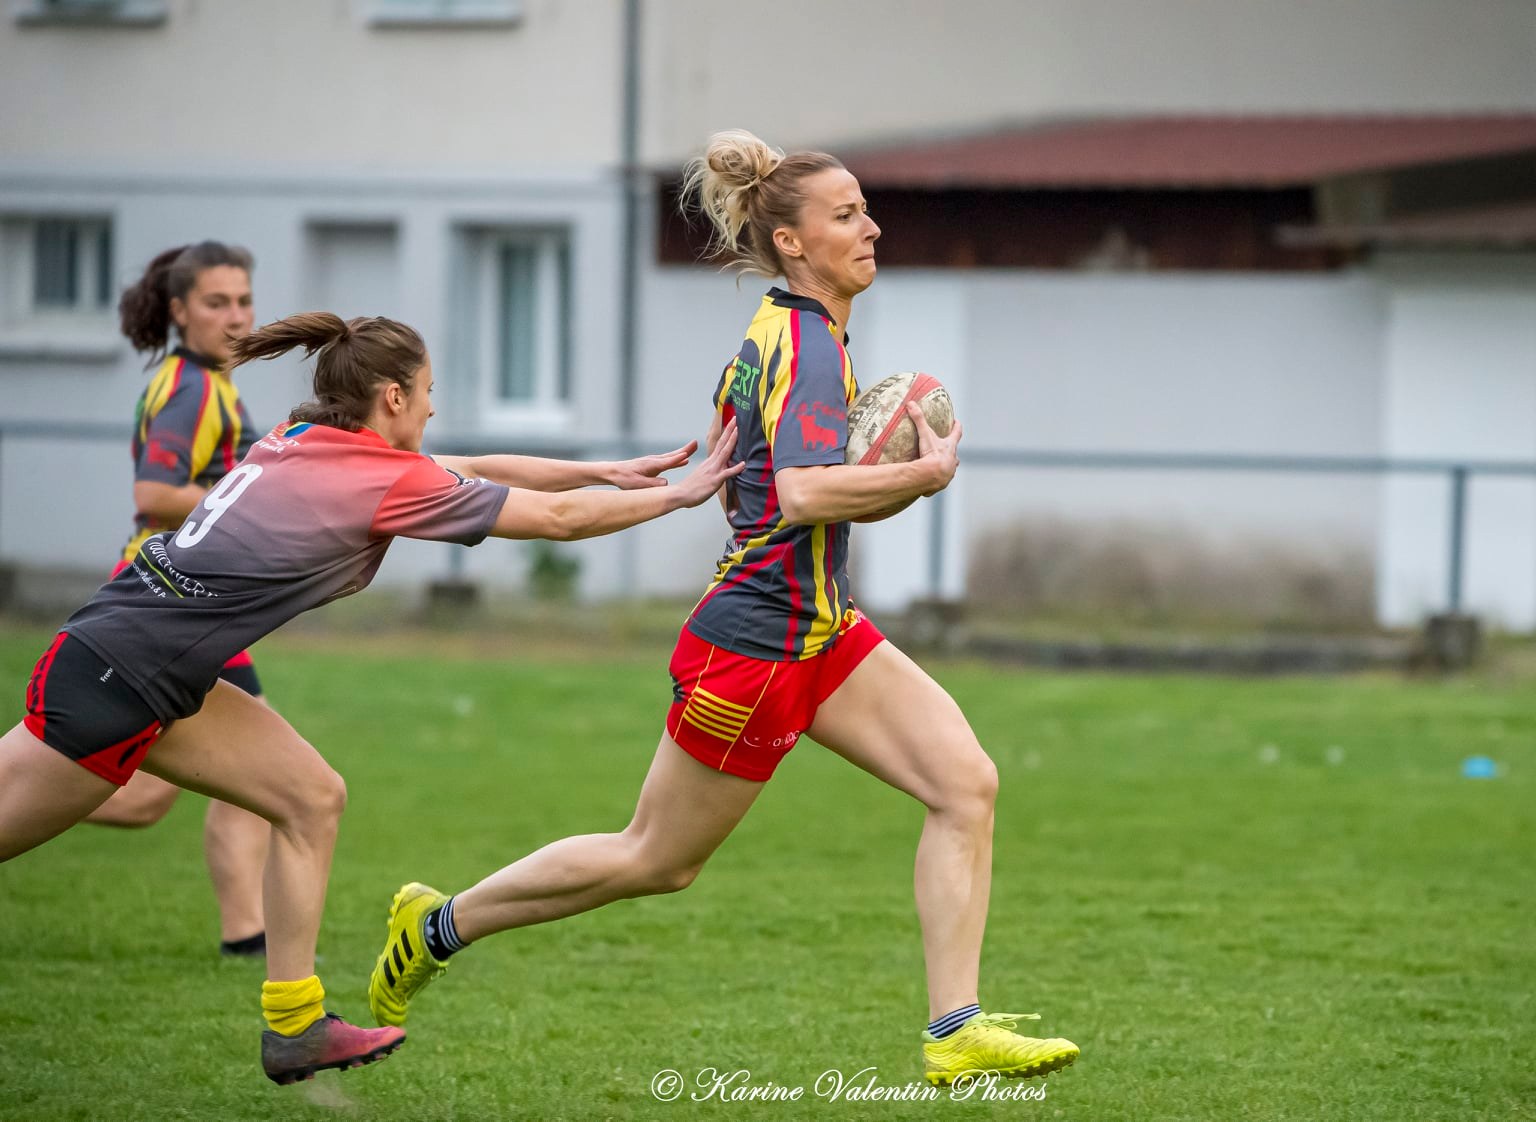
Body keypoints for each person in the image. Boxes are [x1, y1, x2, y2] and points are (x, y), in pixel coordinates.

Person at [367, 130, 1081, 1087]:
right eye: (845, 215)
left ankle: (954, 1029)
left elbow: (744, 462)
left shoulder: (788, 331)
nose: (871, 227)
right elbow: (800, 494)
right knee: (656, 858)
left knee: (965, 785)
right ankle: (438, 924)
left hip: (819, 625)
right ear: (791, 243)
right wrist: (918, 474)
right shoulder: (803, 346)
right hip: (754, 641)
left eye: (865, 209)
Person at [0, 311, 741, 1086]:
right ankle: (294, 1025)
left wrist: (609, 473)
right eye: (425, 394)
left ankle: (295, 1028)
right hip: (114, 675)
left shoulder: (307, 443)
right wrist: (679, 497)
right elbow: (549, 521)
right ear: (391, 396)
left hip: (145, 665)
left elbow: (475, 464)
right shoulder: (379, 476)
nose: (429, 409)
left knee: (310, 798)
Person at [85, 241, 273, 957]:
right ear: (179, 310)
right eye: (217, 302)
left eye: (244, 300)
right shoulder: (193, 389)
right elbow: (155, 495)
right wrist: (246, 507)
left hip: (194, 606)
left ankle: (245, 935)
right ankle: (249, 938)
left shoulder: (209, 381)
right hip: (170, 605)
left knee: (222, 781)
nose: (235, 317)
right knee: (152, 793)